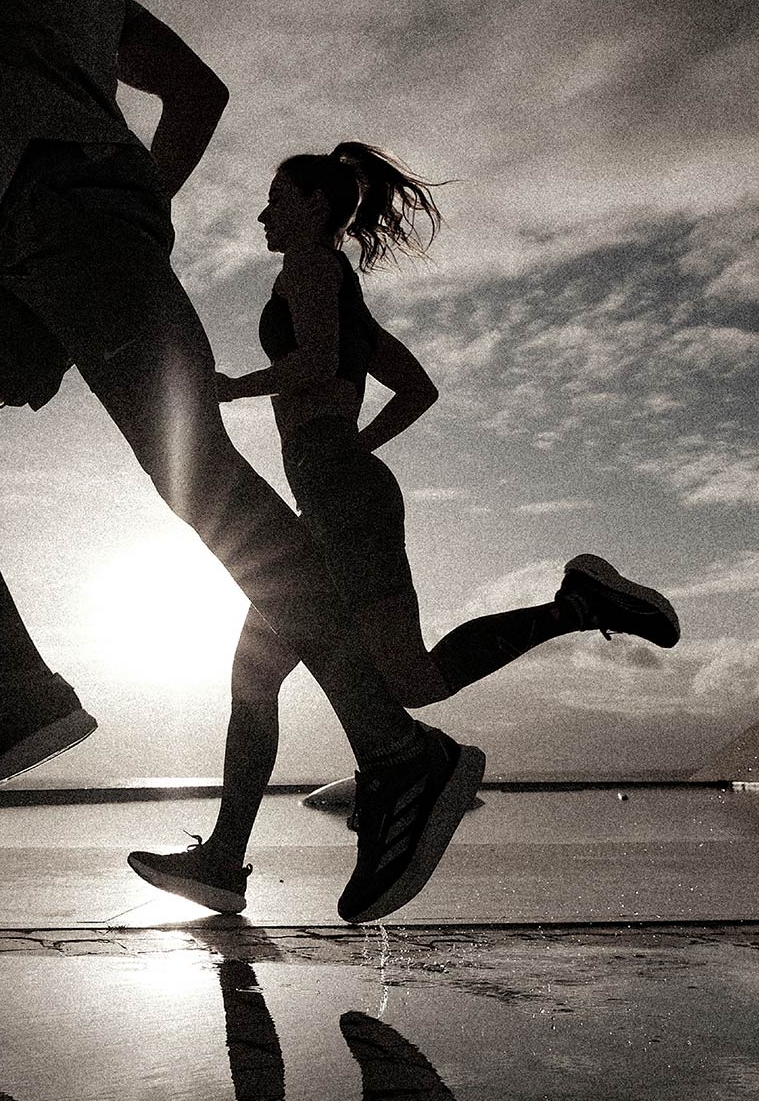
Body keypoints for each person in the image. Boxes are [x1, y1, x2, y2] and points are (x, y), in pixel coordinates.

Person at [0, 0, 484, 924]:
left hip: (70, 219)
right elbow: (198, 91)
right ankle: (25, 689)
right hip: (52, 240)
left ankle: (398, 753)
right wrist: (136, 202)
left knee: (204, 484)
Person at [127, 142, 680, 913]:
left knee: (258, 676)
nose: (263, 212)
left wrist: (231, 390)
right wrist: (350, 448)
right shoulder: (342, 293)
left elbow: (316, 363)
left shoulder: (311, 270)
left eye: (276, 198)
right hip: (341, 491)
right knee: (402, 679)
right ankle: (580, 605)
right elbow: (415, 387)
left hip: (338, 497)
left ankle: (224, 857)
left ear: (315, 206)